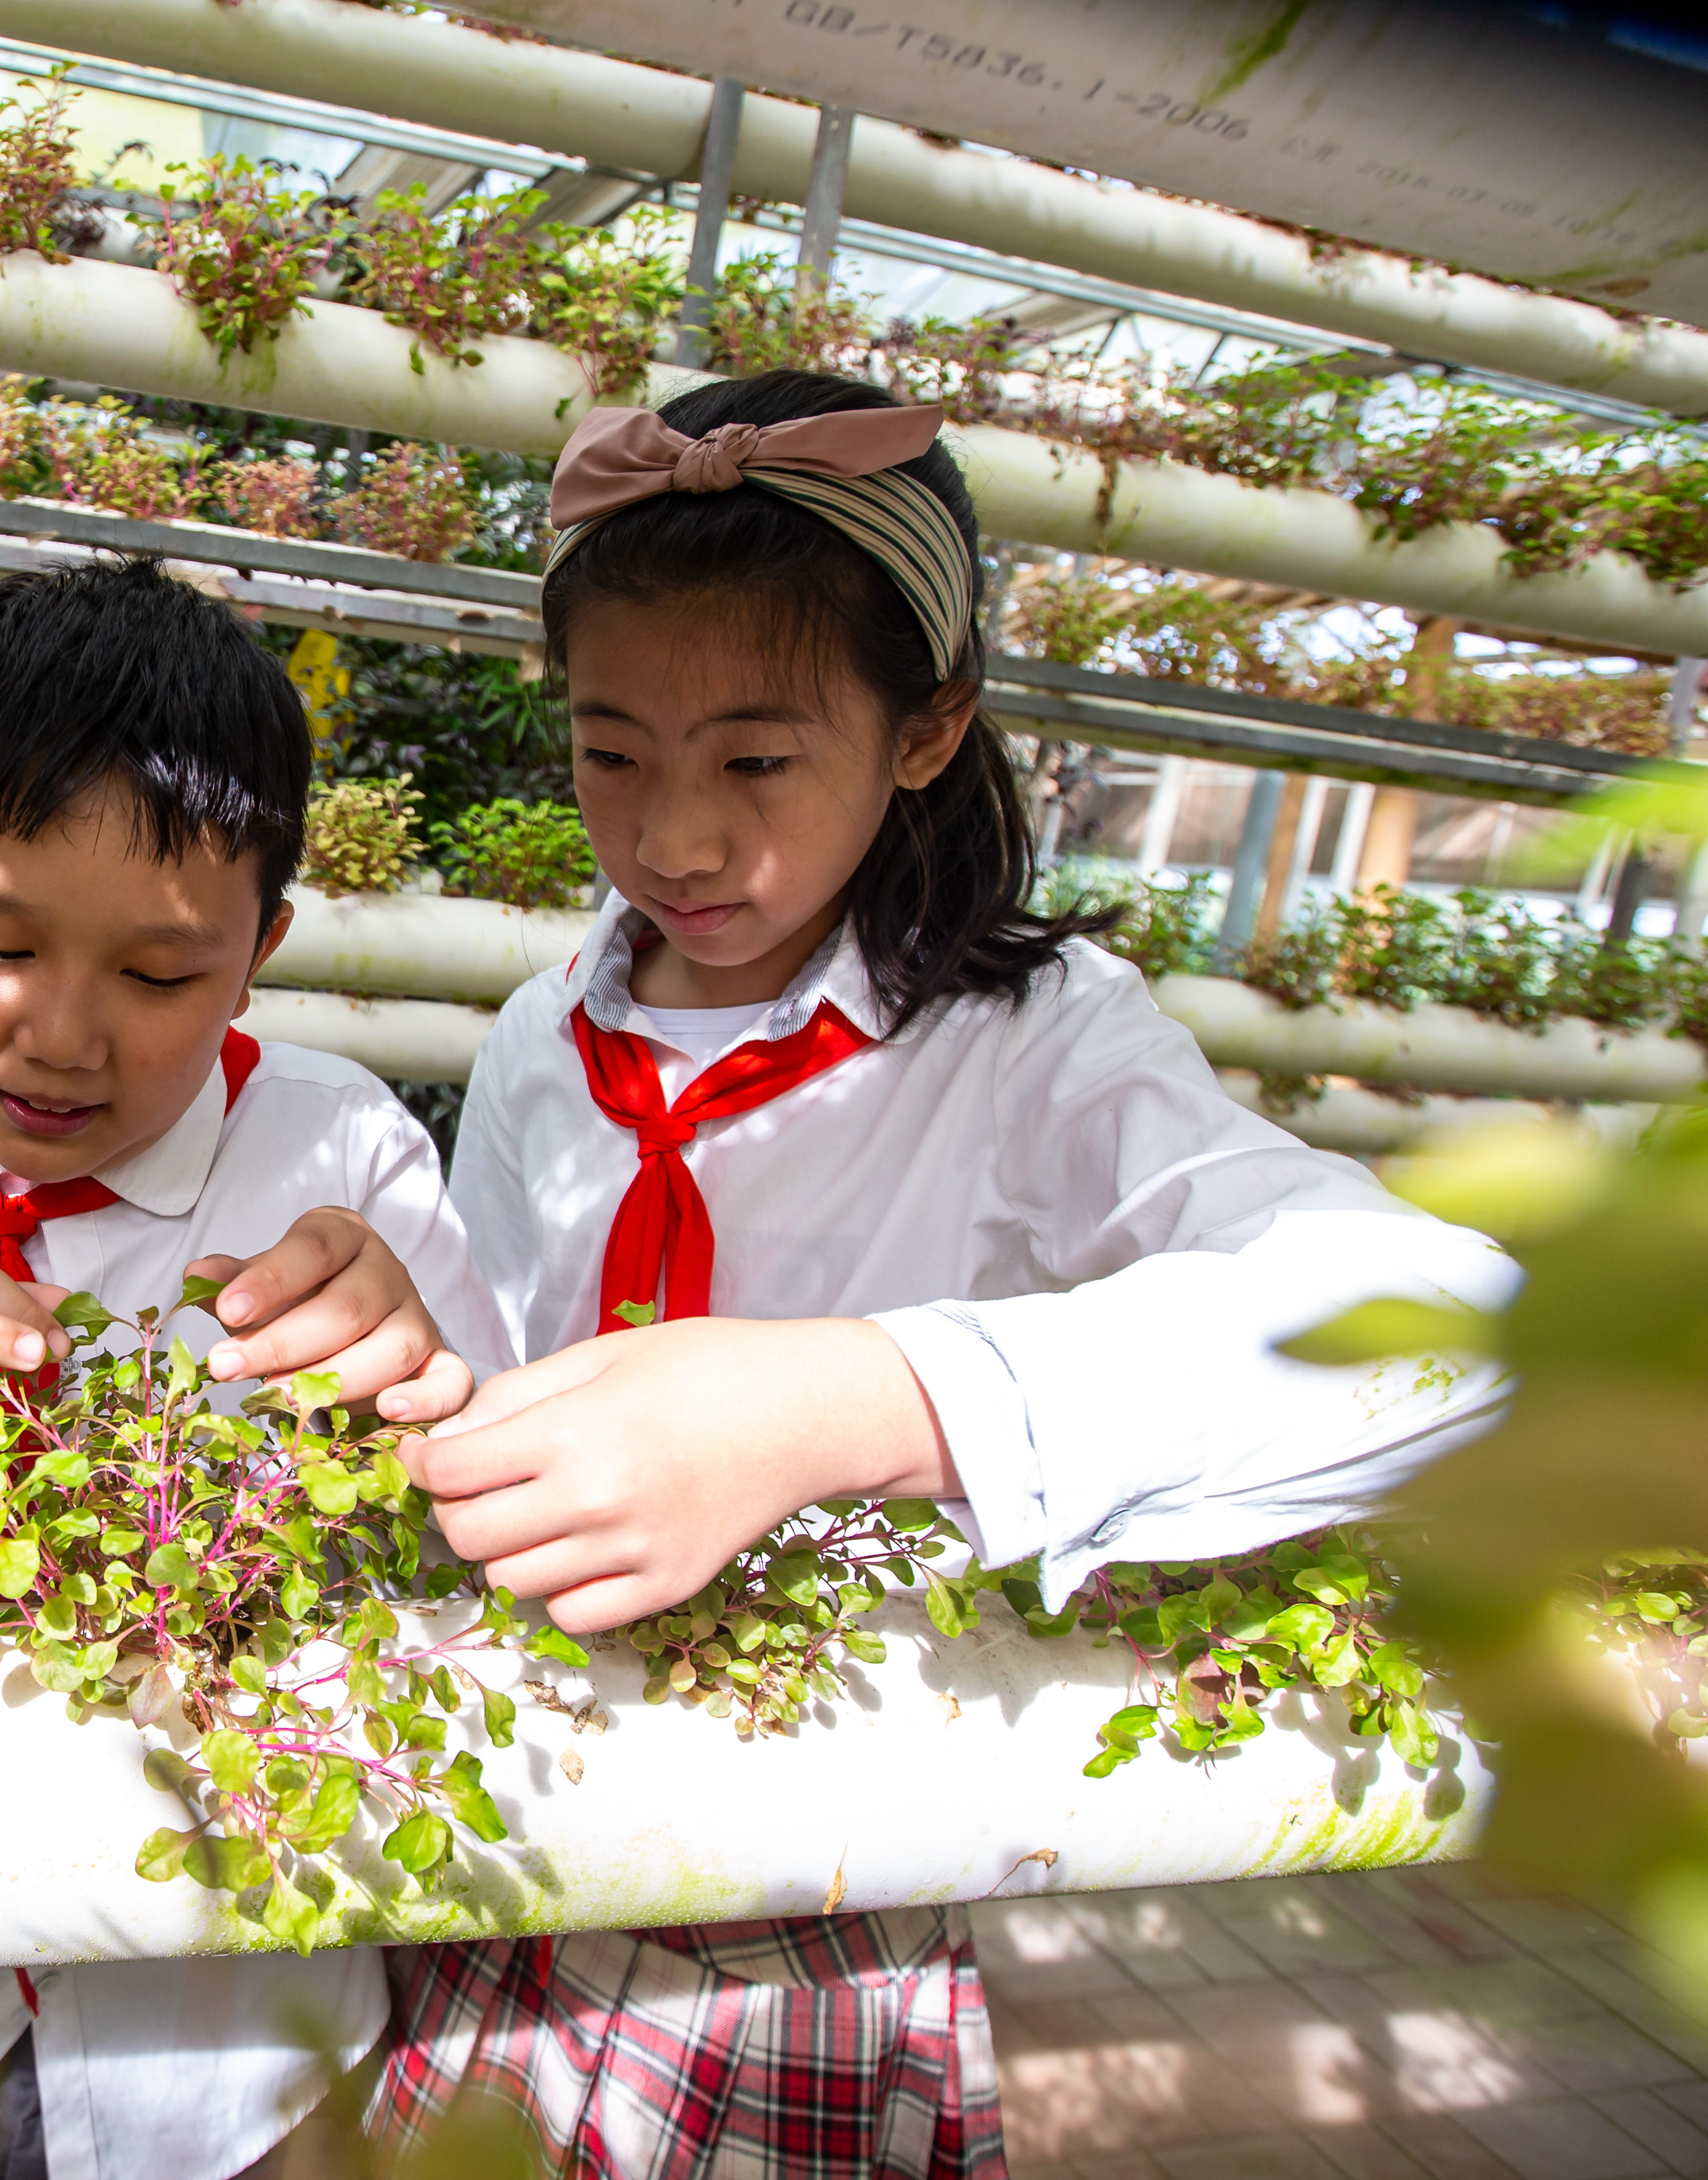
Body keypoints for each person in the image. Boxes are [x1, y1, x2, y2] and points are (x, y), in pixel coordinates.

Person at [368, 371, 1516, 2176]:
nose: (671, 839)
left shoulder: (1034, 1046)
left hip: (825, 1858)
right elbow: (505, 1372)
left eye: (755, 761)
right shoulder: (537, 1037)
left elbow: (1450, 1329)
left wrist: (862, 1396)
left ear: (925, 729)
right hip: (516, 1817)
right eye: (610, 752)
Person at [0, 557, 518, 2180]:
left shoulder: (343, 1155)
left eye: (158, 975)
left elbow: (475, 1537)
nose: (60, 1034)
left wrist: (416, 1399)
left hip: (224, 2035)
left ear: (261, 949)